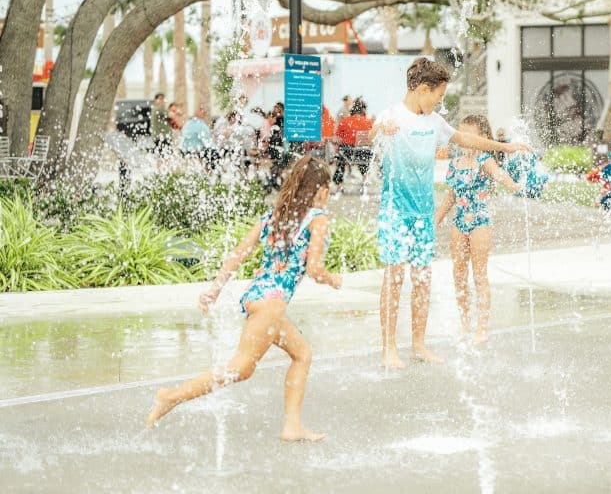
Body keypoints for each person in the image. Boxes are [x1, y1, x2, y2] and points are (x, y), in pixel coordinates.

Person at [146, 156, 342, 441]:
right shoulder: (318, 220)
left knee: (302, 355)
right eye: (328, 189)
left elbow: (239, 253)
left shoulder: (274, 216)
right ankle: (170, 397)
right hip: (271, 305)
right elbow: (313, 269)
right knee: (240, 367)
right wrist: (332, 279)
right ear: (321, 190)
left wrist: (215, 289)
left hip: (258, 297)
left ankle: (292, 426)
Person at [371, 57, 529, 369]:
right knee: (394, 278)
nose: (440, 102)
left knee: (422, 279)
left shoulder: (434, 122)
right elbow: (368, 134)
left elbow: (465, 138)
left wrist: (504, 147)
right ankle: (389, 348)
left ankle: (418, 345)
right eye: (439, 96)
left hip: (422, 213)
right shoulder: (391, 115)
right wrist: (379, 129)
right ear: (423, 89)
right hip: (395, 212)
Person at [435, 115, 523, 344]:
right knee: (459, 274)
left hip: (479, 222)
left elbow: (500, 175)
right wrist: (436, 220)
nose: (464, 139)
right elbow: (451, 196)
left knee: (479, 275)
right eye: (461, 134)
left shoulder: (485, 160)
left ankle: (481, 328)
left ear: (483, 137)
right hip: (459, 222)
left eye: (469, 135)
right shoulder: (456, 163)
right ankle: (465, 323)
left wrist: (513, 185)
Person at [333, 97, 374, 193]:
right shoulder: (368, 122)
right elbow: (372, 139)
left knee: (340, 159)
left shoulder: (345, 121)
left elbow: (338, 138)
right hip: (363, 153)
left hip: (348, 154)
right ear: (363, 110)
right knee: (364, 157)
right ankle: (364, 181)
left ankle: (339, 185)